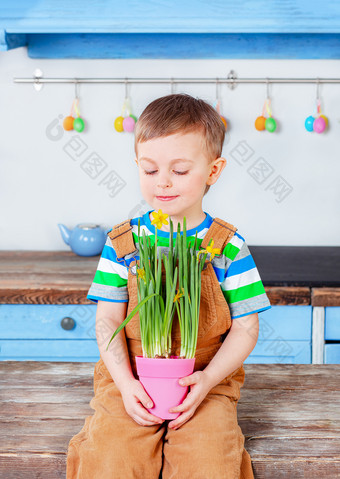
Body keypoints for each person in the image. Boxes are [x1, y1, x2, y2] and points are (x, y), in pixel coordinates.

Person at [66, 93, 271, 479]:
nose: (162, 182)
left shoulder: (227, 245)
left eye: (179, 170)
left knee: (210, 462)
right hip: (130, 378)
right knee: (112, 458)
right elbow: (107, 321)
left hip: (205, 380)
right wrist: (126, 384)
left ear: (213, 170)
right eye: (149, 169)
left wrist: (208, 380)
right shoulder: (122, 243)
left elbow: (246, 326)